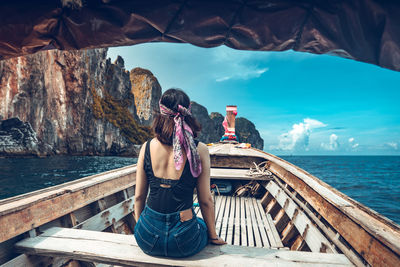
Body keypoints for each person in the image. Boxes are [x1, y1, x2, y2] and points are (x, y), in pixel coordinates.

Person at [134, 88, 226, 258]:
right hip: (183, 242)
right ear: (187, 113)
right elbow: (205, 200)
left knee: (195, 222)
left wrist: (141, 227)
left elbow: (139, 197)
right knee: (200, 224)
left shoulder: (146, 147)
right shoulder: (200, 150)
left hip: (147, 238)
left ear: (160, 114)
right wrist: (213, 236)